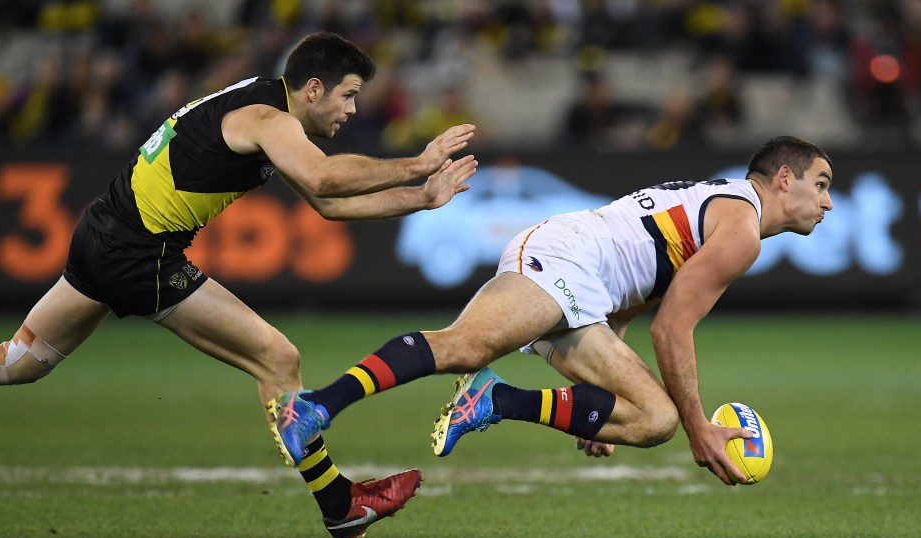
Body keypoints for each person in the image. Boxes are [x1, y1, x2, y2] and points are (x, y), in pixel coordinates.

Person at [0, 32, 478, 538]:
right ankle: (339, 505)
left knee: (18, 360)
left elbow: (327, 205)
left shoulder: (264, 107)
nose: (352, 109)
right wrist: (418, 164)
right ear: (312, 89)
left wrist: (423, 198)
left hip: (102, 231)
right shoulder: (268, 119)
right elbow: (324, 178)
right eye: (348, 95)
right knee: (278, 359)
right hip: (140, 253)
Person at [271, 136, 832, 486]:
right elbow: (672, 328)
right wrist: (700, 429)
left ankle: (494, 399)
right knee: (464, 346)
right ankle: (317, 406)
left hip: (587, 286)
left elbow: (635, 303)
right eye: (822, 184)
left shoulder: (727, 210)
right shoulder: (741, 229)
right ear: (784, 179)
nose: (828, 201)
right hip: (567, 257)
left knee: (651, 420)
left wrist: (597, 406)